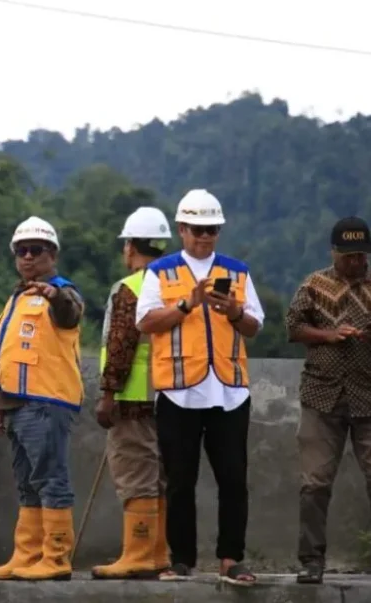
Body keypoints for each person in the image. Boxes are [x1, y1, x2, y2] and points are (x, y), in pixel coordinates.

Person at [135, 189, 263, 585]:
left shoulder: (237, 272)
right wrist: (187, 305)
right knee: (179, 480)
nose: (204, 237)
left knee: (233, 479)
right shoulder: (161, 272)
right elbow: (146, 323)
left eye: (212, 230)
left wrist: (236, 311)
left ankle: (230, 559)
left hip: (228, 390)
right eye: (197, 229)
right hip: (178, 390)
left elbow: (255, 326)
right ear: (181, 229)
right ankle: (182, 559)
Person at [285, 216, 371, 587]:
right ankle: (311, 561)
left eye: (361, 256)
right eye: (348, 256)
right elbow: (293, 327)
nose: (356, 262)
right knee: (314, 484)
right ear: (334, 253)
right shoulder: (314, 284)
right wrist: (329, 335)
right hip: (322, 393)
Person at [0, 216, 85, 582]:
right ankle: (27, 556)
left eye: (35, 250)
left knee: (50, 478)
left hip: (46, 403)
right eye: (21, 251)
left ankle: (55, 557)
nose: (27, 257)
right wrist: (0, 402)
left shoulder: (62, 291)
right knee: (27, 483)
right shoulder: (18, 297)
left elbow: (69, 314)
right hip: (17, 405)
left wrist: (54, 295)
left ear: (52, 254)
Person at [92, 206, 172, 580]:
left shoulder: (130, 288)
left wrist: (108, 394)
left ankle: (138, 554)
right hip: (171, 396)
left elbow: (122, 344)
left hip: (131, 399)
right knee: (158, 476)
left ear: (130, 246)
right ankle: (157, 554)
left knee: (136, 474)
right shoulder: (177, 284)